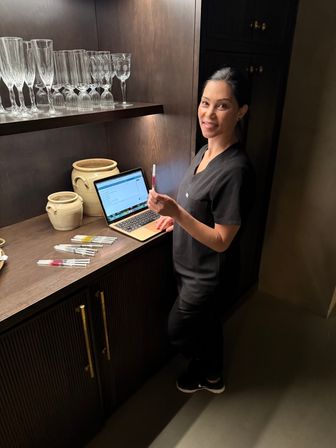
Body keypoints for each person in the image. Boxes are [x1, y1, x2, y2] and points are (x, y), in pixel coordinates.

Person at [147, 67, 255, 394]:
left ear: (241, 111)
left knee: (178, 331)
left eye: (222, 105)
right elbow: (198, 206)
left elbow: (222, 240)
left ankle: (204, 367)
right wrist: (174, 217)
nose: (208, 113)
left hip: (207, 275)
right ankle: (213, 375)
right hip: (188, 266)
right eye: (205, 102)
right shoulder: (205, 150)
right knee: (207, 327)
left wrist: (177, 213)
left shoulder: (235, 170)